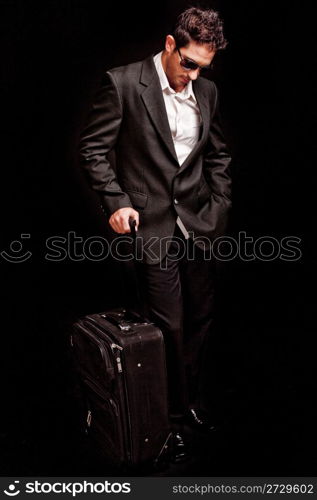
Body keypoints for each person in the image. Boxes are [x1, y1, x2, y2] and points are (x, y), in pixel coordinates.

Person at [79, 7, 231, 462]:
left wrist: (219, 207)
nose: (193, 76)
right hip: (152, 227)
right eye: (188, 63)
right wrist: (117, 200)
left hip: (199, 225)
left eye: (203, 67)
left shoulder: (207, 90)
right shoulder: (123, 83)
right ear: (170, 44)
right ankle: (166, 422)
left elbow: (218, 155)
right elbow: (93, 149)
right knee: (169, 325)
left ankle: (187, 405)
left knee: (200, 319)